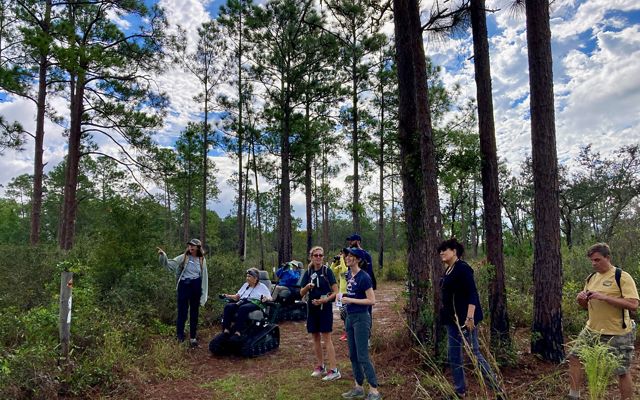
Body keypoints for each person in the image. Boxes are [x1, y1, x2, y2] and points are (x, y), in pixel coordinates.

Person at [567, 243, 639, 400]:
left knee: (621, 370)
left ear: (607, 257)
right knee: (574, 357)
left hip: (616, 332)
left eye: (597, 260)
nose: (594, 263)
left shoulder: (622, 277)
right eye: (592, 261)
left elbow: (633, 305)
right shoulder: (591, 278)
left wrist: (605, 297)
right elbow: (586, 306)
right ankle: (573, 395)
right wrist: (581, 300)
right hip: (591, 330)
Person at [438, 238, 502, 399]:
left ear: (454, 251)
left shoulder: (463, 268)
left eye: (445, 249)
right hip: (452, 321)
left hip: (466, 320)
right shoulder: (448, 270)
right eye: (440, 250)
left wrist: (470, 317)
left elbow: (472, 293)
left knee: (474, 354)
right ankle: (460, 390)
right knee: (454, 355)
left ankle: (497, 390)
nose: (441, 252)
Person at [341, 247, 381, 400]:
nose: (348, 258)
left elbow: (372, 301)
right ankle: (358, 387)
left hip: (362, 318)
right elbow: (351, 293)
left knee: (362, 355)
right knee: (353, 355)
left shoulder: (364, 277)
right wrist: (344, 299)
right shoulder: (348, 274)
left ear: (358, 259)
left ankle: (374, 390)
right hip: (350, 317)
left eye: (352, 256)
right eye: (347, 255)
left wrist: (350, 300)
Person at [300, 246, 341, 381]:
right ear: (311, 257)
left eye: (321, 255)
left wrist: (325, 300)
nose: (318, 257)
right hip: (312, 308)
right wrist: (307, 287)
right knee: (315, 337)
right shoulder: (308, 272)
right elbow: (301, 293)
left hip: (325, 308)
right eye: (316, 255)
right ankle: (320, 366)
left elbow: (336, 291)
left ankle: (334, 370)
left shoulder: (327, 271)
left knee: (327, 338)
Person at [157, 238, 209, 347]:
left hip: (196, 286)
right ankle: (180, 336)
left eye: (193, 246)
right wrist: (163, 256)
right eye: (189, 245)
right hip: (184, 286)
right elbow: (171, 264)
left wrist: (203, 295)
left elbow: (204, 277)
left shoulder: (201, 259)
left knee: (194, 313)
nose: (190, 247)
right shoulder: (184, 257)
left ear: (198, 248)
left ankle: (193, 338)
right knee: (182, 312)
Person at [220, 267, 272, 340]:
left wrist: (266, 298)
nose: (247, 278)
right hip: (242, 301)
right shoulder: (245, 285)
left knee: (243, 308)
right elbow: (237, 296)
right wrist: (227, 295)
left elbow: (270, 298)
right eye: (247, 276)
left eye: (249, 276)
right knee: (229, 306)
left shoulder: (262, 287)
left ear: (255, 278)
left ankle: (238, 332)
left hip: (254, 303)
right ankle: (226, 330)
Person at [331, 248, 349, 341]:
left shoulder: (348, 266)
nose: (341, 255)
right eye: (341, 254)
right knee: (343, 315)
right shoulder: (340, 266)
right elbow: (332, 272)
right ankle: (346, 333)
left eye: (343, 254)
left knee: (348, 314)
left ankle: (349, 333)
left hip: (348, 294)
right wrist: (334, 261)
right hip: (341, 294)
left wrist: (342, 259)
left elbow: (345, 270)